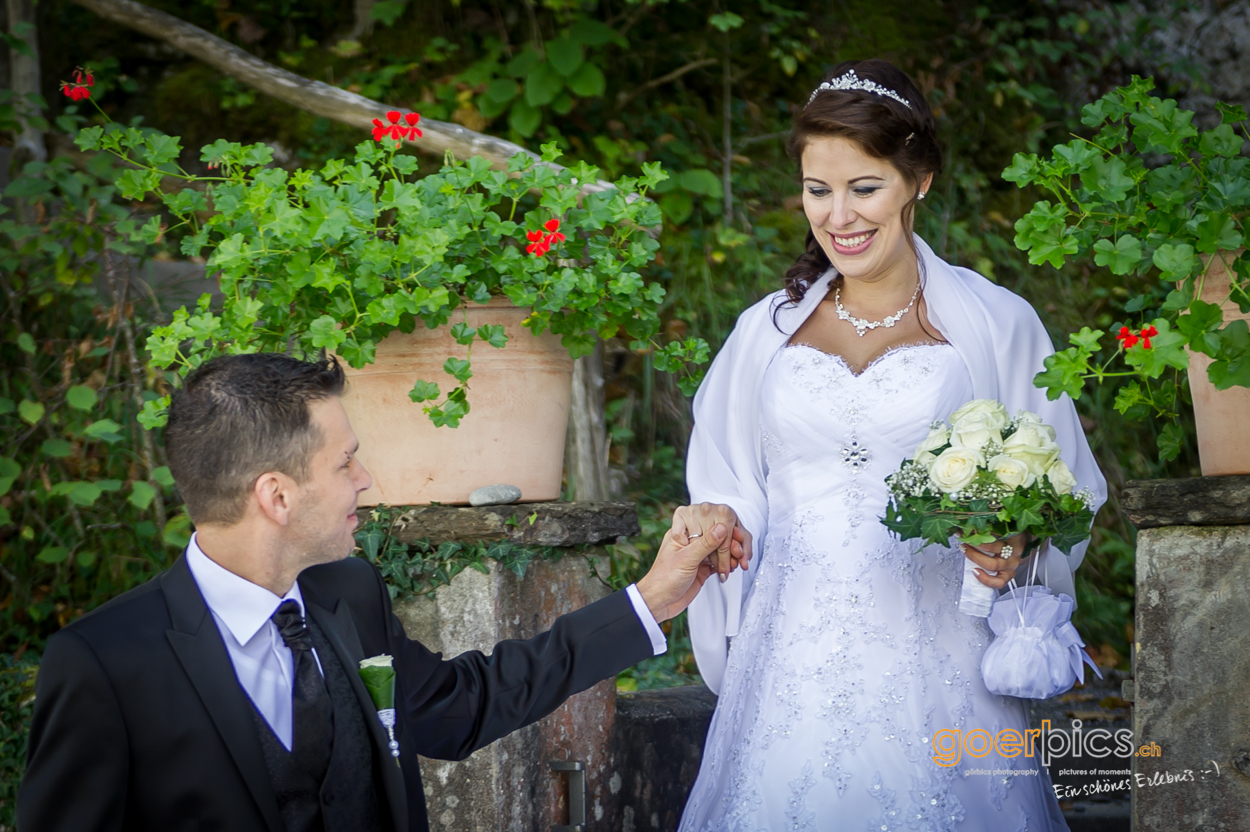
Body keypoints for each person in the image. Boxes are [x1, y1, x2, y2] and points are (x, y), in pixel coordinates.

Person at [17, 352, 748, 832]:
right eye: (346, 463)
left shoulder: (348, 594)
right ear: (276, 494)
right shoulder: (106, 665)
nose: (366, 481)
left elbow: (465, 706)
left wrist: (650, 600)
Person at [673, 59, 1107, 831]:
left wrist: (1015, 544)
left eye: (864, 187)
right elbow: (730, 478)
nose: (838, 215)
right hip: (789, 659)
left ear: (919, 181)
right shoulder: (762, 333)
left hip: (942, 655)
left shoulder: (996, 322)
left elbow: (1061, 483)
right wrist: (715, 523)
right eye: (818, 190)